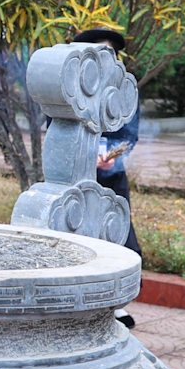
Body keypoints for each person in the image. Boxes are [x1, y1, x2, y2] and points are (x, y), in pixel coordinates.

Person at [72, 26, 143, 257]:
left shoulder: (125, 90)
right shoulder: (70, 88)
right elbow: (56, 129)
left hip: (112, 176)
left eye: (110, 55)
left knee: (119, 236)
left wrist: (113, 156)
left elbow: (129, 135)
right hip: (73, 176)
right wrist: (84, 156)